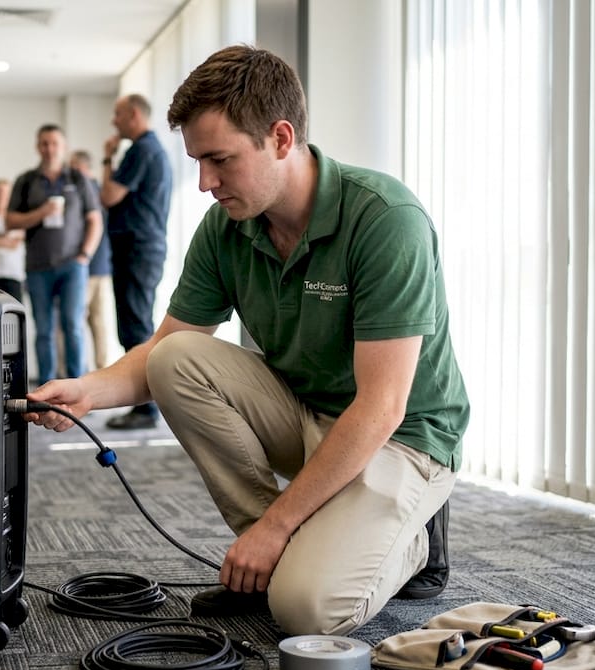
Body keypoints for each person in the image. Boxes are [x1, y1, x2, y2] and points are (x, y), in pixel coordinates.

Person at [26, 45, 468, 637]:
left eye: (220, 161)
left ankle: (413, 541)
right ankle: (281, 555)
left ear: (280, 139)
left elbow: (381, 406)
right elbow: (165, 351)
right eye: (198, 163)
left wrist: (278, 525)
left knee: (306, 611)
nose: (206, 183)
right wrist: (85, 391)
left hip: (400, 436)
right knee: (178, 359)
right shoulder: (229, 227)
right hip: (307, 414)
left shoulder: (386, 219)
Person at [6, 124, 103, 385]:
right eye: (44, 143)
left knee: (73, 325)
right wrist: (41, 213)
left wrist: (85, 255)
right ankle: (48, 387)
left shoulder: (78, 179)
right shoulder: (26, 181)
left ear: (64, 147)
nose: (49, 149)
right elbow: (10, 220)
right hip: (38, 267)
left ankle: (77, 386)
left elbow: (95, 220)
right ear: (38, 147)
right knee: (44, 330)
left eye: (54, 143)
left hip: (73, 265)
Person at [99, 94, 172, 430]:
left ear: (133, 115)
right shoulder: (150, 149)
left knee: (136, 325)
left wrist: (107, 158)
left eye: (117, 115)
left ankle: (145, 408)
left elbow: (109, 195)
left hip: (137, 248)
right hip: (142, 247)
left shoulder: (142, 149)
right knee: (135, 322)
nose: (113, 121)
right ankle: (145, 405)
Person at [71, 149, 113, 370]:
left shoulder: (88, 193)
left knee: (78, 322)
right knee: (96, 323)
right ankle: (96, 369)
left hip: (91, 267)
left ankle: (83, 371)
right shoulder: (100, 193)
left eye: (75, 168)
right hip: (97, 266)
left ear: (84, 168)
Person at [0, 179, 25, 301]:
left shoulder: (18, 218)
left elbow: (16, 243)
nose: (3, 197)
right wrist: (3, 241)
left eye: (7, 193)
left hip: (13, 276)